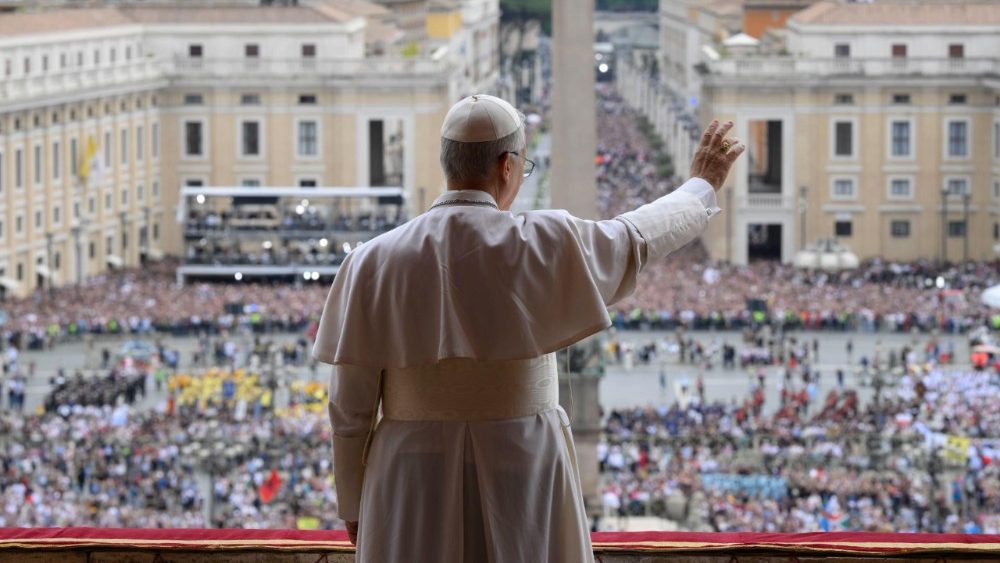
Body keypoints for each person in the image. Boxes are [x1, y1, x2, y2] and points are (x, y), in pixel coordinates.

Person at [313, 94, 744, 562]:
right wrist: (700, 185)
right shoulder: (546, 243)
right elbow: (638, 236)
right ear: (507, 166)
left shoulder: (368, 261)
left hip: (410, 472)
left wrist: (353, 502)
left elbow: (350, 410)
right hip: (522, 463)